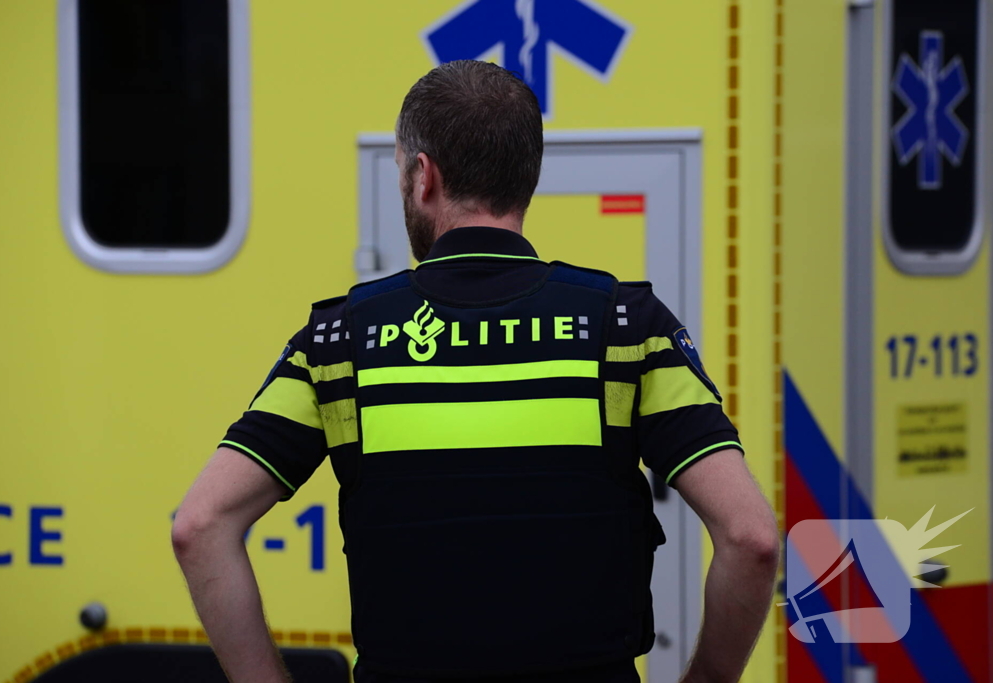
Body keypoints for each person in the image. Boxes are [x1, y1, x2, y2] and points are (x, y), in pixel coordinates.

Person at [172, 60, 779, 683]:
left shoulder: (338, 341)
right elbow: (752, 539)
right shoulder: (627, 327)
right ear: (527, 177)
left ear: (424, 175)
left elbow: (201, 526)